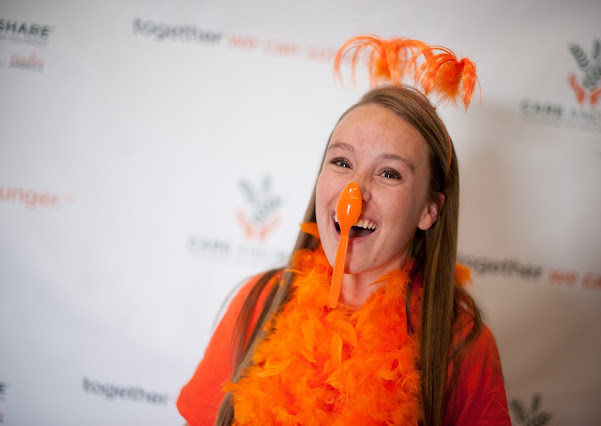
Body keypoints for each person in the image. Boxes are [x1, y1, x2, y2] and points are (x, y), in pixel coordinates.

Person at [177, 35, 511, 425]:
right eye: (342, 162)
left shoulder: (464, 347)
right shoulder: (256, 304)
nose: (355, 191)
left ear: (428, 210)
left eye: (389, 173)